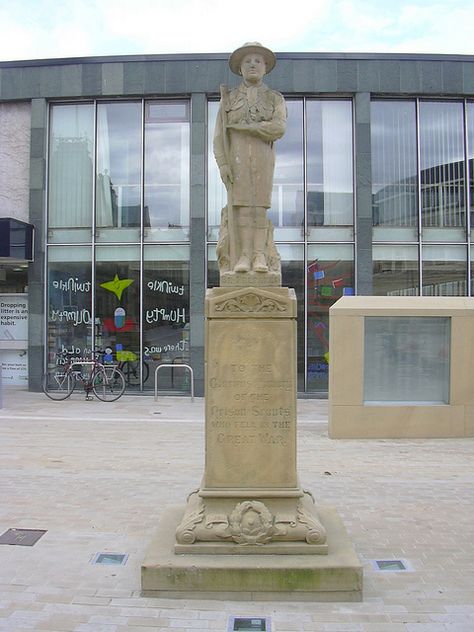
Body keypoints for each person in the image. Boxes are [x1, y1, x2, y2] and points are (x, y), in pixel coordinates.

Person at [213, 42, 287, 275]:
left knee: (259, 209)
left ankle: (259, 255)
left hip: (263, 159)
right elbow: (218, 136)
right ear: (240, 68)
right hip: (237, 159)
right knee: (242, 209)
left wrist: (249, 128)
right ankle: (243, 255)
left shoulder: (275, 98)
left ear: (265, 67)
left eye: (257, 61)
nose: (252, 65)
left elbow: (278, 128)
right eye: (247, 61)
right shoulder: (229, 99)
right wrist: (223, 164)